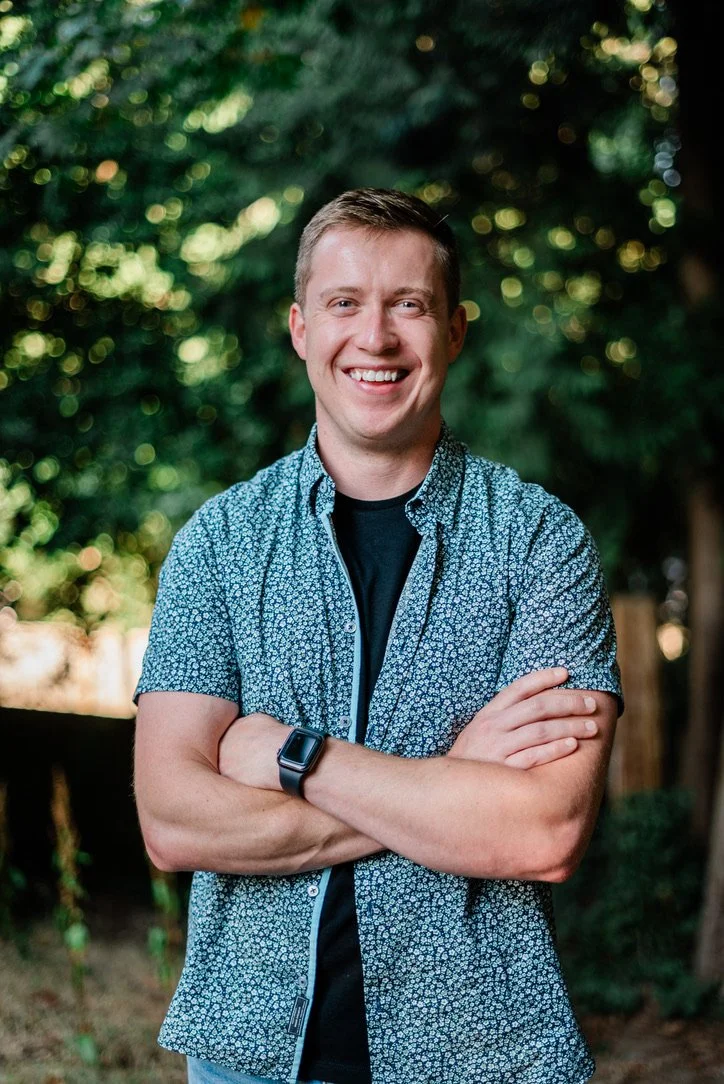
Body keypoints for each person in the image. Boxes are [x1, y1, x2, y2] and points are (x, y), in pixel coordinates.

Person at [133, 188, 623, 1084]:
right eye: (345, 303)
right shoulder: (220, 541)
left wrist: (292, 755)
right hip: (247, 1055)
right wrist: (449, 786)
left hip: (483, 1053)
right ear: (298, 328)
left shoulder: (540, 540)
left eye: (410, 304)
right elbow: (170, 819)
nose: (377, 337)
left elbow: (544, 831)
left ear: (455, 330)